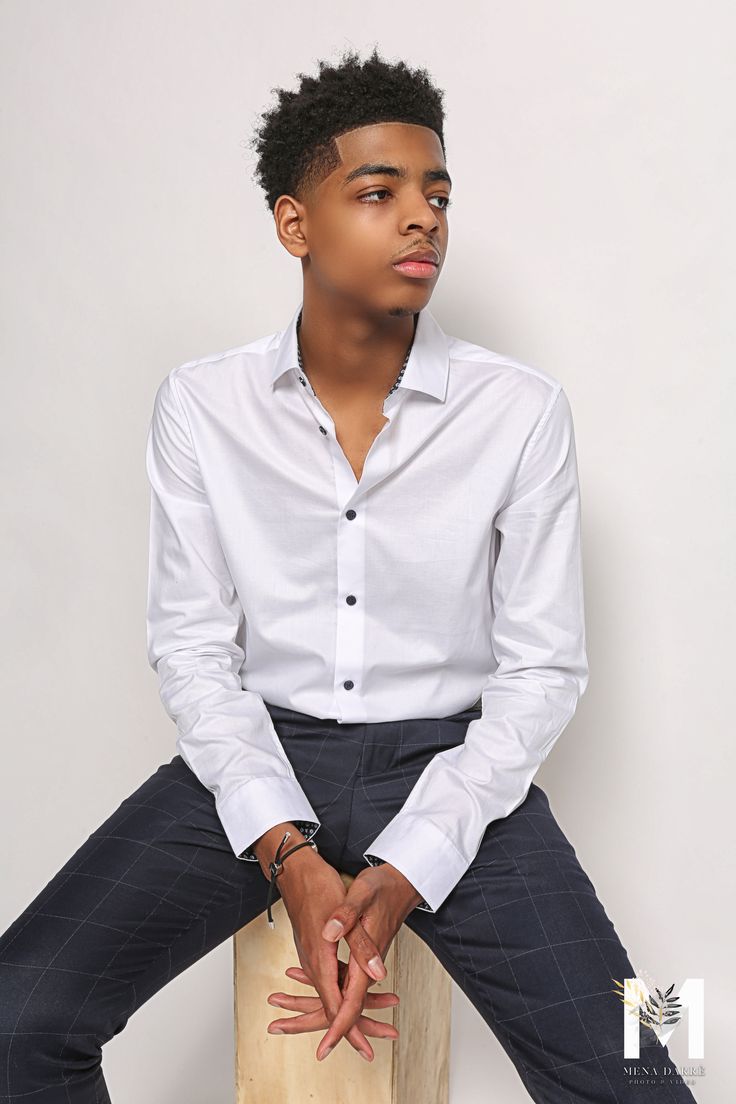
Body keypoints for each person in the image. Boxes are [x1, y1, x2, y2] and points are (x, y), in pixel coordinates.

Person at [0, 47, 697, 1103]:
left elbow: (545, 670)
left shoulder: (523, 407)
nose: (422, 218)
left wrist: (411, 862)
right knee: (16, 1017)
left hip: (461, 770)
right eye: (377, 193)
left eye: (437, 194)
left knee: (659, 1062)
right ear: (294, 224)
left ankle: (683, 1038)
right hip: (252, 760)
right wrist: (288, 850)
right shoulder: (200, 403)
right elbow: (191, 648)